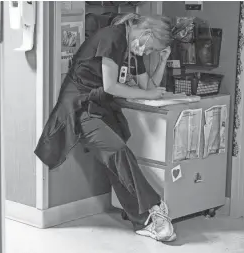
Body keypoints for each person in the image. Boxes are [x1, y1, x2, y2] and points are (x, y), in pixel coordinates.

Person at [35, 13, 180, 242]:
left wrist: (162, 60)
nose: (148, 52)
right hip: (80, 107)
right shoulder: (113, 37)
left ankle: (142, 222)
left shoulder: (133, 49)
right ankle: (155, 205)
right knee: (117, 151)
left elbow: (150, 86)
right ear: (147, 34)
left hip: (101, 107)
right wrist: (146, 94)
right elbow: (111, 86)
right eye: (152, 48)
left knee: (115, 161)